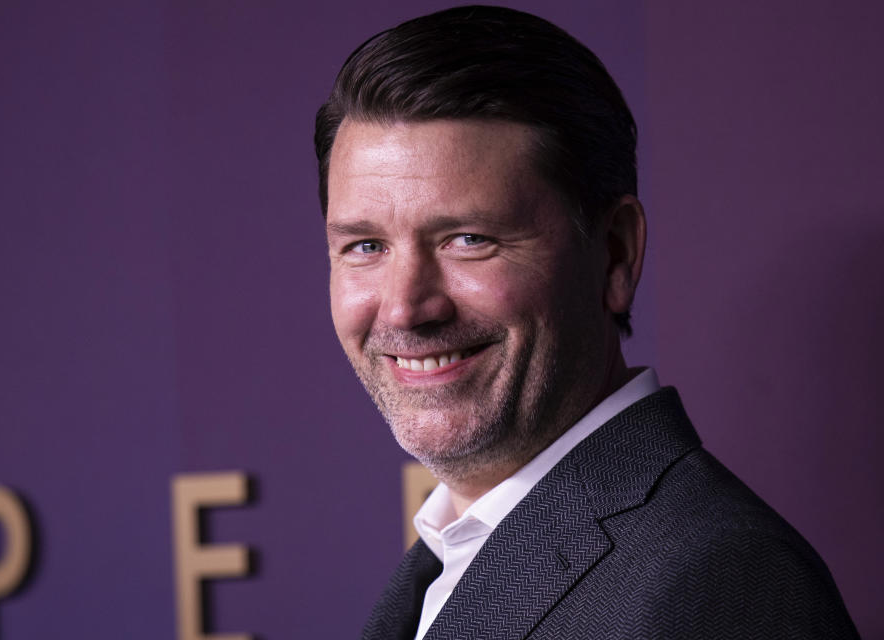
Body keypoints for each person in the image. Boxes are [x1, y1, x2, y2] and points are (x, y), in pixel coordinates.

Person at [314, 6, 858, 639]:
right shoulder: (448, 565)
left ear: (616, 255)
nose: (406, 307)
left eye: (469, 238)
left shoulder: (721, 583)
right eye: (365, 247)